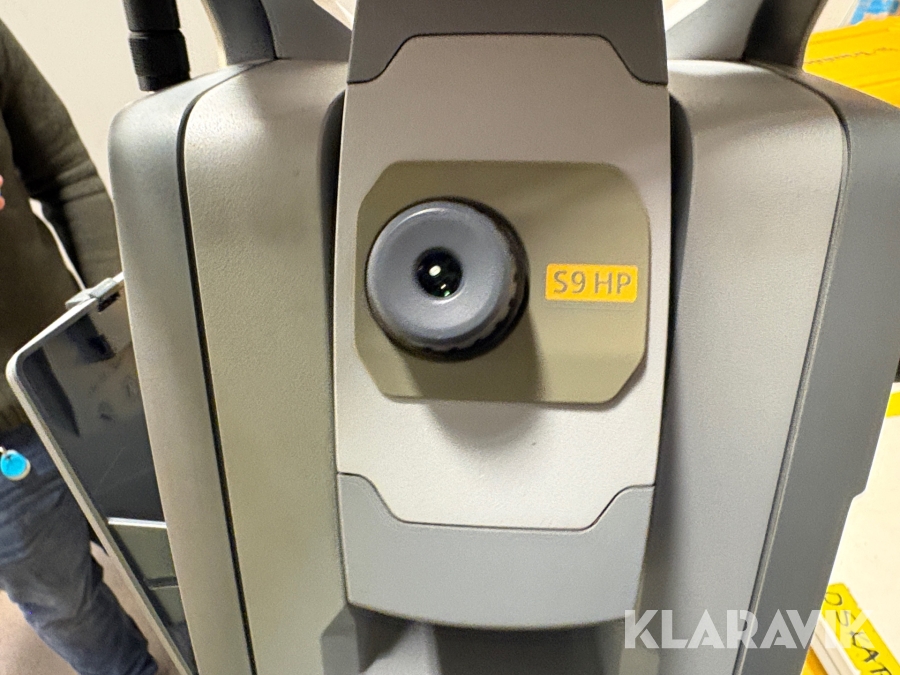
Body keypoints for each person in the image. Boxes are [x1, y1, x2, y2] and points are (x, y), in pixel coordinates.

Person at [0, 17, 159, 675]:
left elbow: (65, 168)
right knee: (67, 604)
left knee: (188, 536)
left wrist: (120, 321)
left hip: (83, 368)